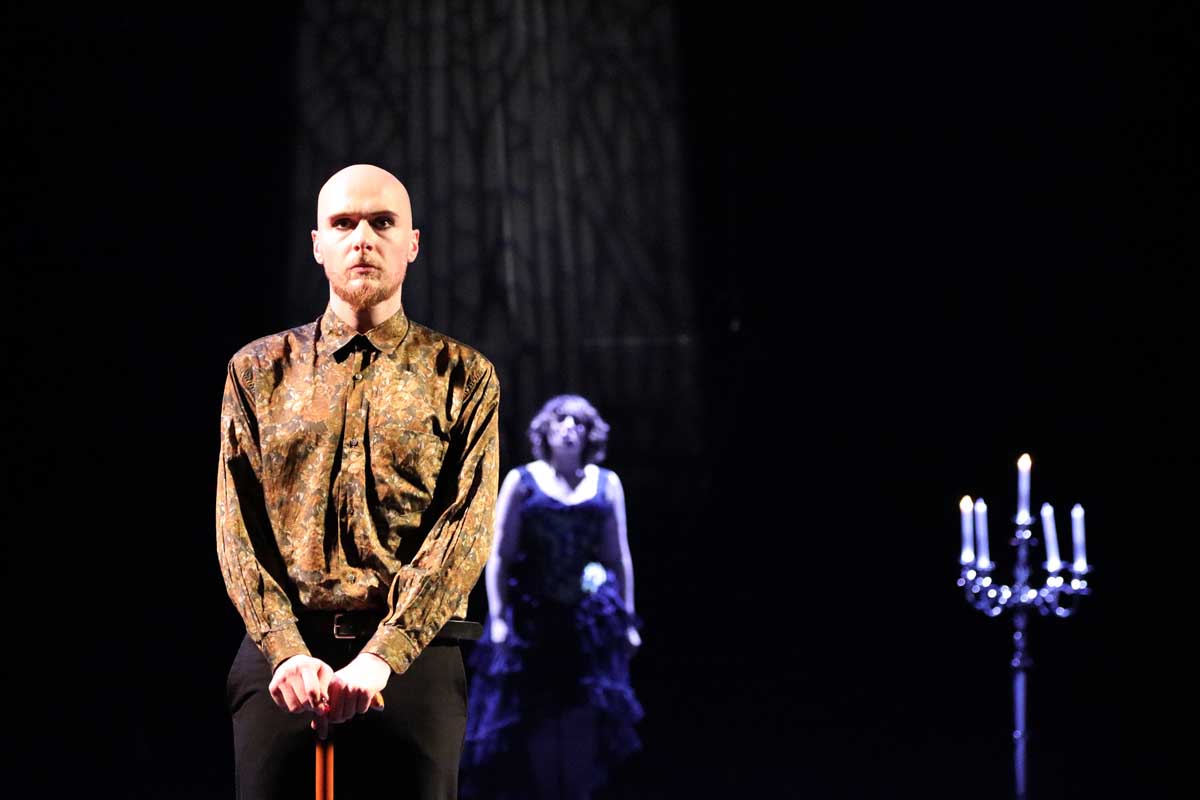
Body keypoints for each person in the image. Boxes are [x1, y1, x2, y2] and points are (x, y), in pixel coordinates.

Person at [217, 164, 500, 799]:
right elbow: (237, 527)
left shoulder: (463, 376)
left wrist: (383, 655)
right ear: (318, 244)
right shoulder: (257, 371)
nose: (363, 239)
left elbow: (466, 529)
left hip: (414, 657)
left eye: (382, 222)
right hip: (284, 658)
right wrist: (286, 649)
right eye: (343, 224)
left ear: (412, 243)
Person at [461, 394, 643, 800]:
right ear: (546, 430)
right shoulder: (522, 481)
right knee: (538, 714)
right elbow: (500, 556)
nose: (569, 428)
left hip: (586, 619)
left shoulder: (606, 483)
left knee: (583, 713)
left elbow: (617, 557)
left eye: (579, 422)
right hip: (534, 617)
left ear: (590, 434)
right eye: (561, 420)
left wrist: (628, 621)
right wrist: (499, 618)